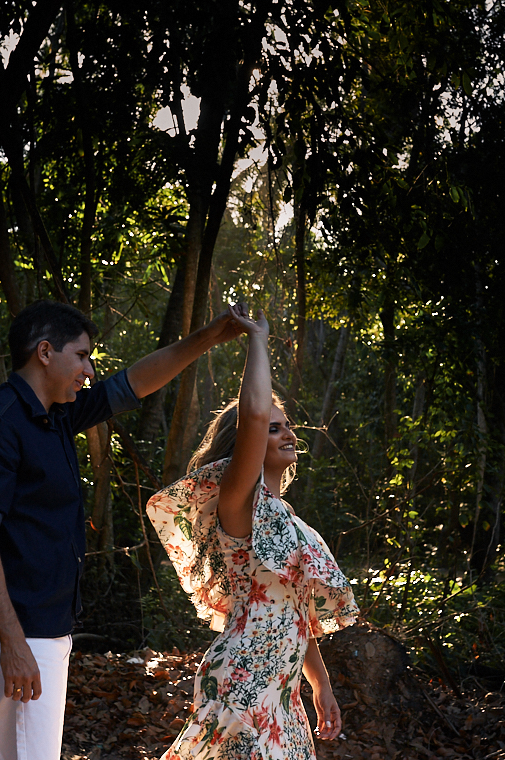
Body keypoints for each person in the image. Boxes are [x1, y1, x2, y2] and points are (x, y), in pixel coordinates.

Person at [0, 299, 245, 760]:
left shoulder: (57, 415)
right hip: (17, 631)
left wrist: (210, 336)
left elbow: (133, 384)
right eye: (82, 356)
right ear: (44, 352)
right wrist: (12, 641)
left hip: (44, 629)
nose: (88, 370)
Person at [147, 305, 358, 760]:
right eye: (274, 427)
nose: (287, 433)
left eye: (289, 426)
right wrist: (258, 340)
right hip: (243, 677)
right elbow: (254, 415)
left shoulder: (292, 523)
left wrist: (320, 685)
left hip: (282, 689)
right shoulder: (240, 501)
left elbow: (294, 610)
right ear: (245, 441)